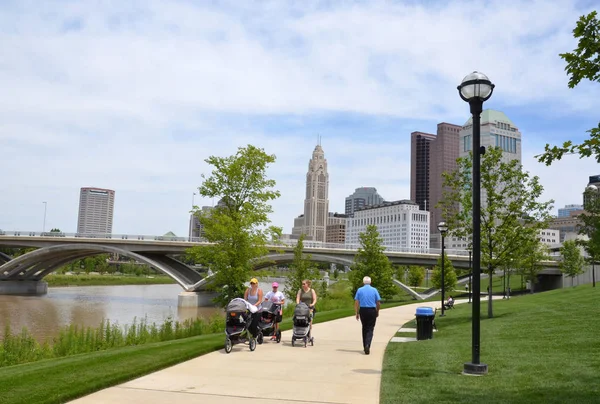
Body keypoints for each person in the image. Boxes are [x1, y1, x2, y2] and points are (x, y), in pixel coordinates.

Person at [354, 276, 381, 355]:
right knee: (370, 328)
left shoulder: (359, 290)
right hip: (371, 310)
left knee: (364, 327)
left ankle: (364, 345)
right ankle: (367, 344)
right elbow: (378, 302)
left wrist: (356, 312)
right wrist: (377, 311)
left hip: (363, 310)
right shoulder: (374, 290)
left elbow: (356, 302)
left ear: (363, 282)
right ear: (370, 282)